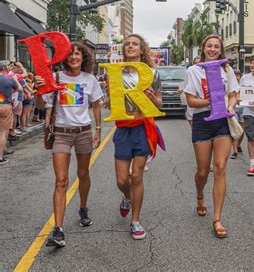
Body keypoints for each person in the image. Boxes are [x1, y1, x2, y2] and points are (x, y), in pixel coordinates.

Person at [35, 42, 103, 247]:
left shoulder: (89, 79)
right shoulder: (56, 77)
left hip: (83, 131)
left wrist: (98, 130)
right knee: (61, 180)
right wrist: (38, 90)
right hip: (61, 133)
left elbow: (97, 104)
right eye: (71, 54)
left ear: (84, 58)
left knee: (83, 174)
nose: (74, 57)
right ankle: (58, 230)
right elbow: (41, 105)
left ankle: (83, 208)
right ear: (64, 57)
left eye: (78, 54)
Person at [106, 34, 162, 241]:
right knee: (122, 179)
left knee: (137, 176)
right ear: (124, 49)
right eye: (127, 44)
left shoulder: (152, 74)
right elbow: (110, 105)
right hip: (123, 129)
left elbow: (159, 104)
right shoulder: (116, 73)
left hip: (143, 128)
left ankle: (136, 221)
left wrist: (152, 97)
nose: (130, 46)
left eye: (135, 44)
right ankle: (127, 197)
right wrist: (109, 95)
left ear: (141, 49)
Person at [184, 35, 239, 238]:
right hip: (202, 122)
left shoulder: (227, 69)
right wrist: (210, 101)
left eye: (217, 46)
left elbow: (234, 93)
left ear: (220, 49)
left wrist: (230, 105)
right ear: (203, 48)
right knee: (202, 171)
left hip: (222, 122)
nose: (213, 49)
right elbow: (190, 101)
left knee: (220, 168)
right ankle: (200, 195)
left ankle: (217, 219)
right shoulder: (194, 71)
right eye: (210, 46)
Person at [0, 61, 21, 164]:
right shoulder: (9, 79)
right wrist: (16, 80)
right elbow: (20, 89)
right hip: (5, 106)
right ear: (4, 68)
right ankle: (0, 157)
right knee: (3, 132)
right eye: (8, 66)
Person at [231, 69, 245, 158]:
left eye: (238, 76)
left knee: (242, 130)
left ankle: (239, 145)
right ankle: (235, 150)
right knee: (236, 129)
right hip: (234, 109)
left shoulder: (243, 86)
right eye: (235, 76)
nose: (236, 78)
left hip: (244, 108)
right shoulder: (231, 86)